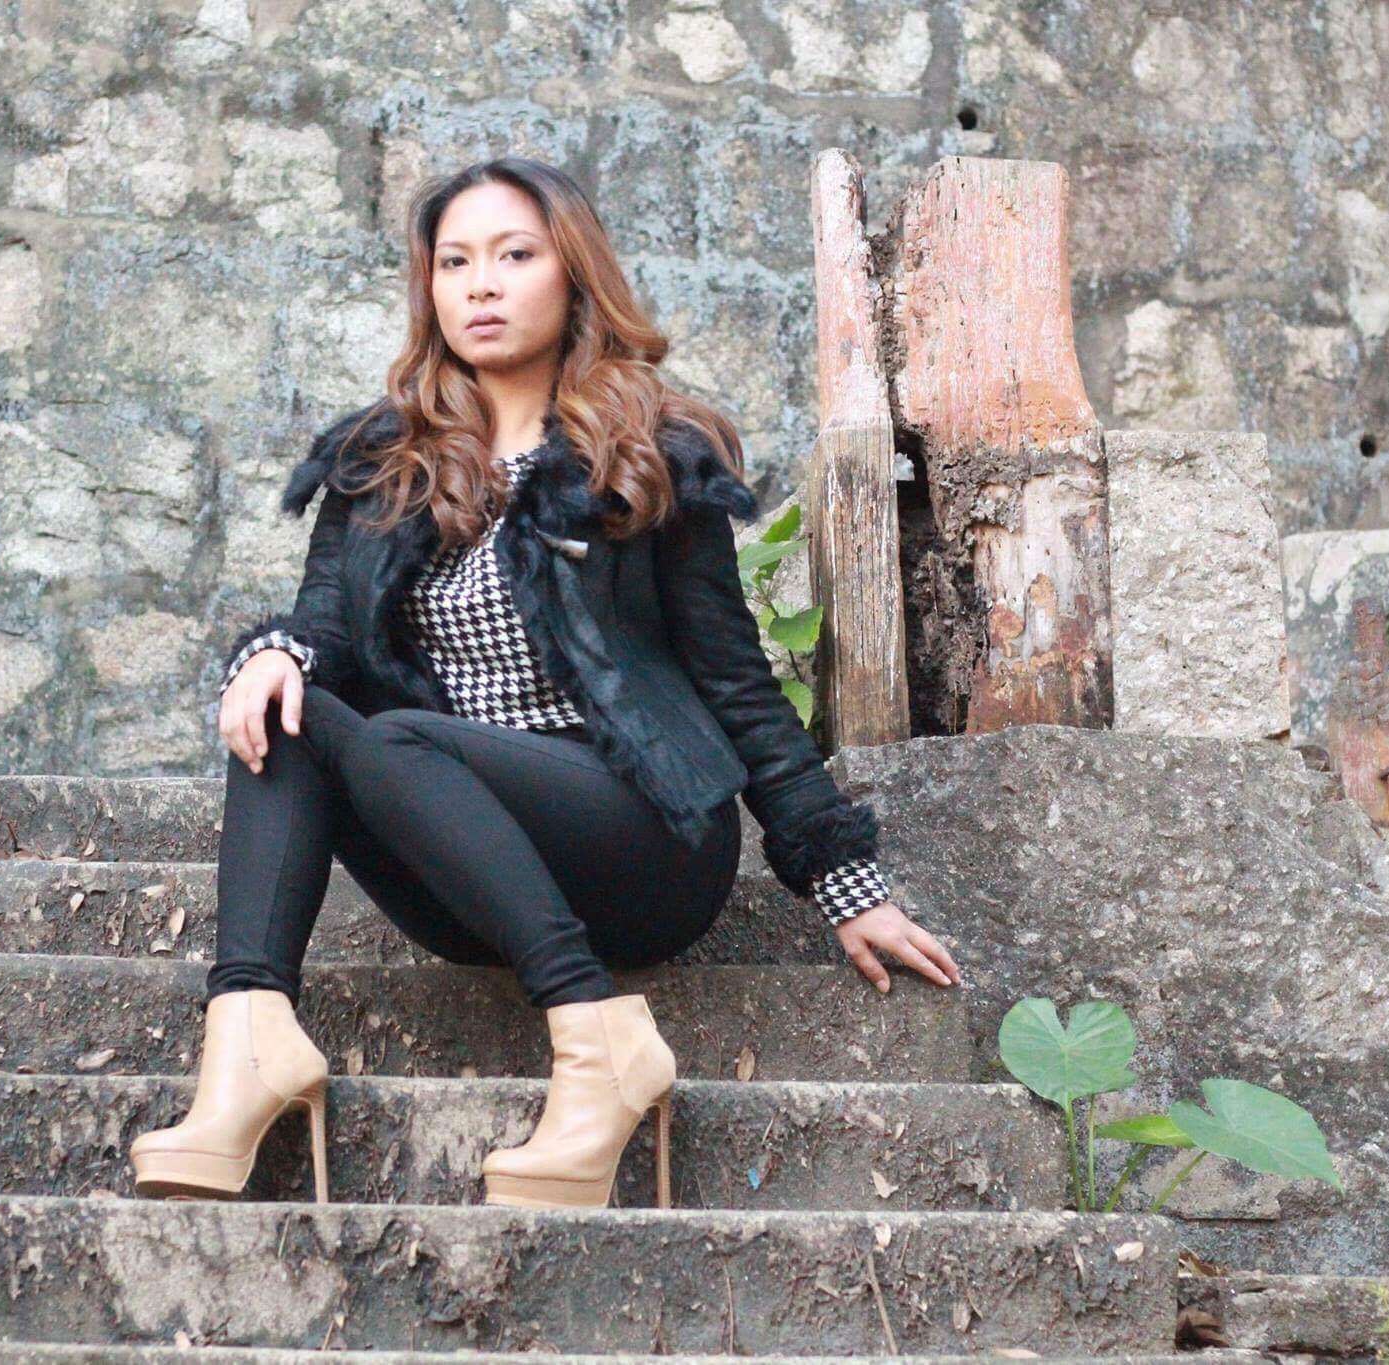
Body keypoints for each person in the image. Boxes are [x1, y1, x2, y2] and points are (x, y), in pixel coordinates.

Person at [129, 155, 962, 1211]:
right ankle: (245, 1041)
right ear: (427, 290)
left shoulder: (644, 452)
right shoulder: (383, 464)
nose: (480, 284)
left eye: (513, 256)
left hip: (636, 832)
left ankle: (596, 1038)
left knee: (392, 739)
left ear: (570, 273)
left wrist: (842, 882)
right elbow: (322, 632)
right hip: (461, 860)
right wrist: (270, 656)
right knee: (285, 702)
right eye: (455, 262)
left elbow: (736, 682)